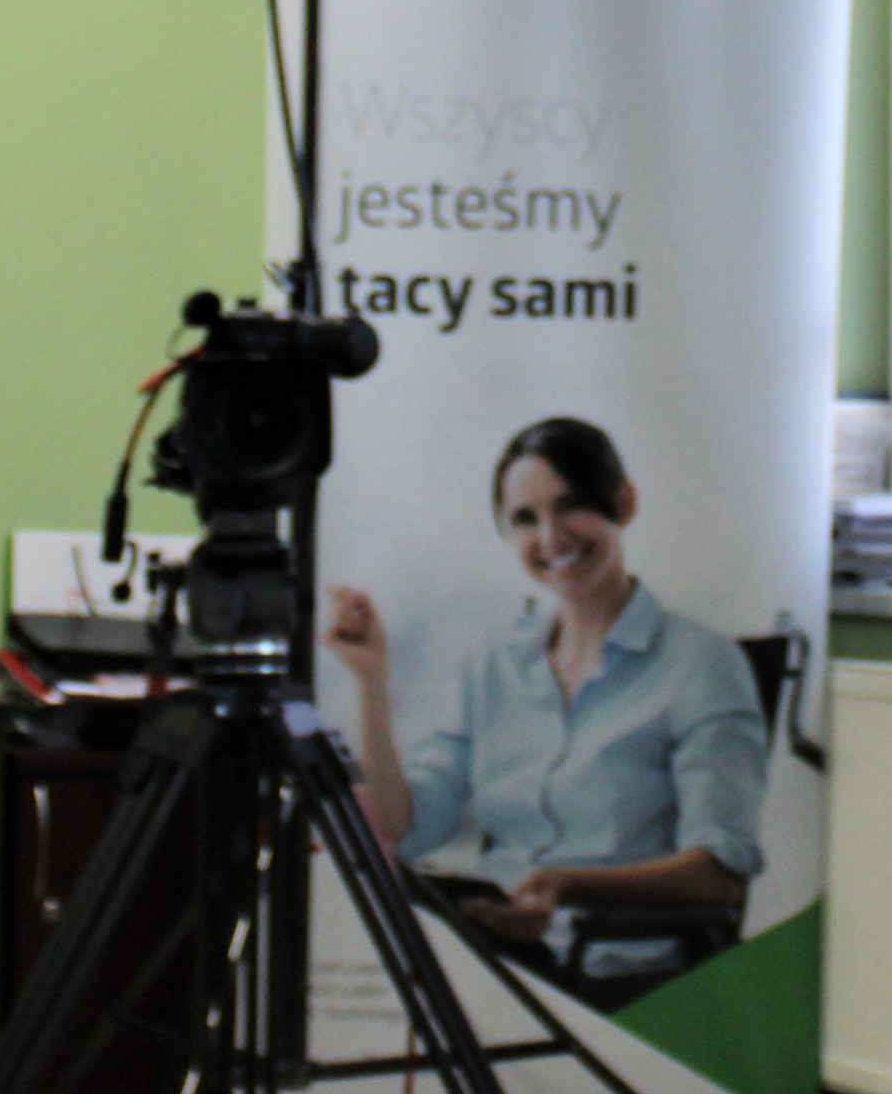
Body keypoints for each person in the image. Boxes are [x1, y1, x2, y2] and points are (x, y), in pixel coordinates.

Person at [323, 415, 768, 996]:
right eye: (525, 519)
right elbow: (400, 830)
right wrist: (372, 683)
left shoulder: (701, 664)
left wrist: (568, 886)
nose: (551, 537)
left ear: (623, 503)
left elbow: (720, 874)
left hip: (624, 981)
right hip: (495, 967)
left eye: (570, 505)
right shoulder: (493, 670)